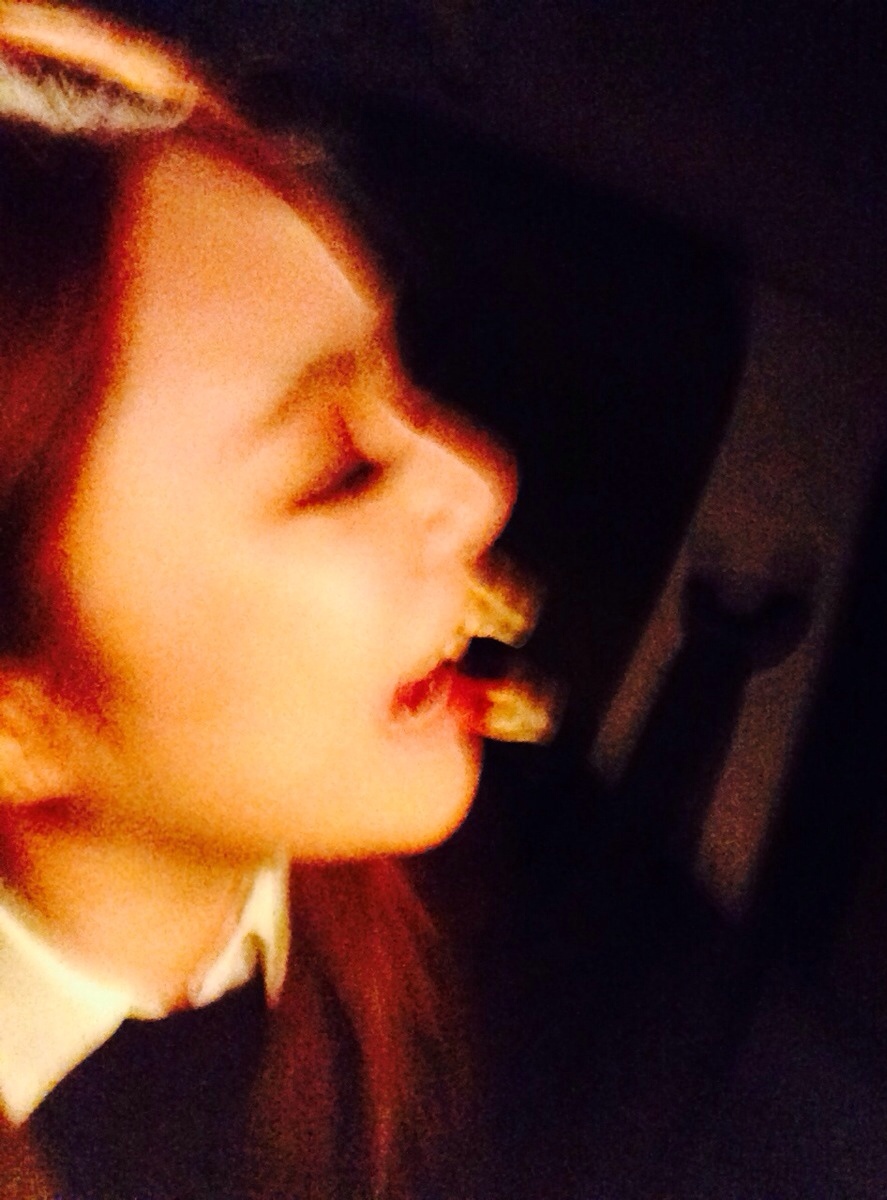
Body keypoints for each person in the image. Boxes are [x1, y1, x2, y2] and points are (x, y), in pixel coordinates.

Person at [0, 4, 538, 1196]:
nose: (480, 482)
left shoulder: (519, 911)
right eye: (337, 470)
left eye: (401, 383)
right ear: (14, 721)